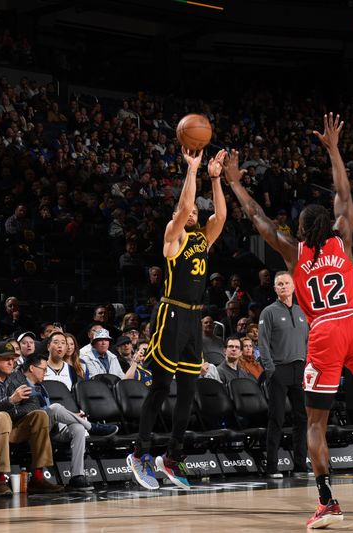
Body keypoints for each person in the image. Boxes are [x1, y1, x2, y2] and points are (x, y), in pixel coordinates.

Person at [225, 115, 353, 529]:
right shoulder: (343, 236)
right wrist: (333, 149)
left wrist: (234, 182)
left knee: (315, 423)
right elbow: (343, 193)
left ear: (303, 229)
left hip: (324, 332)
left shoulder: (293, 252)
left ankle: (327, 501)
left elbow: (258, 219)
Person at [127, 147, 227, 490]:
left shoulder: (202, 238)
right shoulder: (175, 237)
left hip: (193, 319)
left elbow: (222, 217)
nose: (194, 213)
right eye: (189, 210)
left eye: (198, 212)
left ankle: (171, 456)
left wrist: (215, 180)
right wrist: (193, 170)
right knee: (160, 385)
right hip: (169, 313)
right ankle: (139, 453)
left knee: (188, 390)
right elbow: (185, 206)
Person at [11, 353, 117, 492]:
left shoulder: (41, 386)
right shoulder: (18, 384)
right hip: (28, 429)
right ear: (31, 368)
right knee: (55, 408)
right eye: (43, 369)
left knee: (78, 428)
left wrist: (73, 416)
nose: (46, 372)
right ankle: (92, 427)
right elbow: (21, 411)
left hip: (50, 427)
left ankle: (76, 477)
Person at [0, 341, 63, 495]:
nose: (11, 362)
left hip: (13, 427)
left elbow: (34, 405)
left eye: (13, 359)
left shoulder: (17, 377)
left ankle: (38, 478)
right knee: (1, 417)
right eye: (6, 358)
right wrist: (10, 401)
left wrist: (11, 411)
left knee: (40, 415)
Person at [258, 271, 308, 479]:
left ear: (294, 286)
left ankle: (299, 466)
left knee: (301, 419)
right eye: (280, 284)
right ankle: (272, 467)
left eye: (287, 283)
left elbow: (307, 341)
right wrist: (271, 371)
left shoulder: (301, 312)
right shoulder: (268, 312)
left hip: (299, 369)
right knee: (276, 418)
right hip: (279, 369)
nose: (284, 286)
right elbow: (262, 343)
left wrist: (307, 365)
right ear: (275, 288)